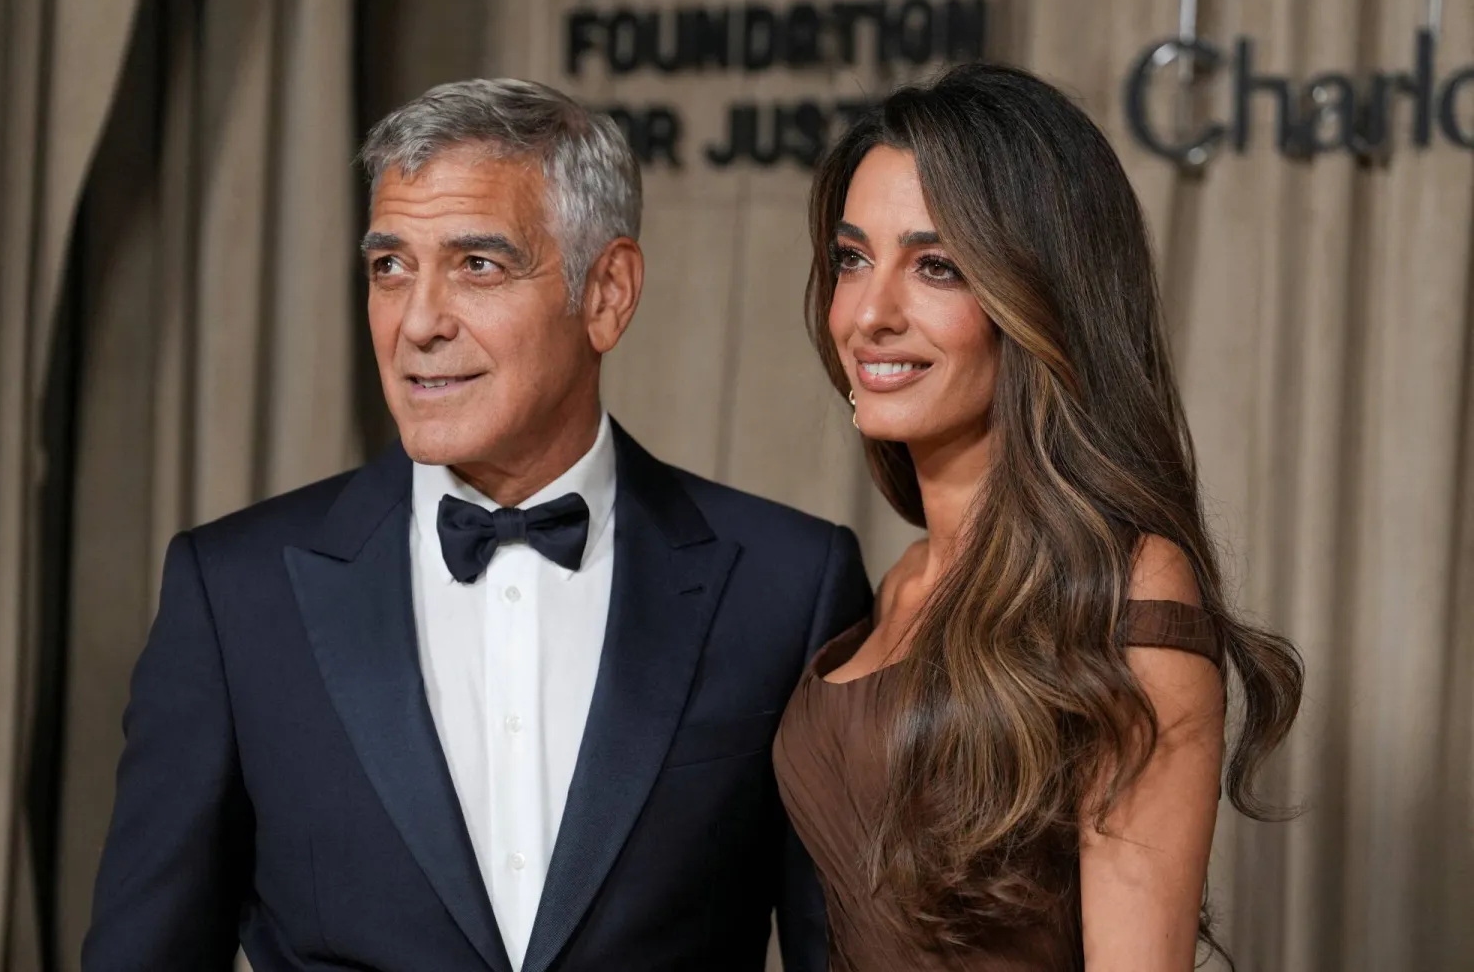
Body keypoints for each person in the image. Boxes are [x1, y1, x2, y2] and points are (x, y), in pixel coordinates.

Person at [83, 79, 870, 972]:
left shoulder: (787, 586)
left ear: (607, 292)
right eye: (390, 267)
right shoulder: (235, 595)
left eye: (477, 266)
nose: (418, 322)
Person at [772, 63, 1304, 971]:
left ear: (1040, 300)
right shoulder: (900, 584)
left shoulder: (1127, 586)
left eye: (936, 266)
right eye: (853, 259)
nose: (869, 313)